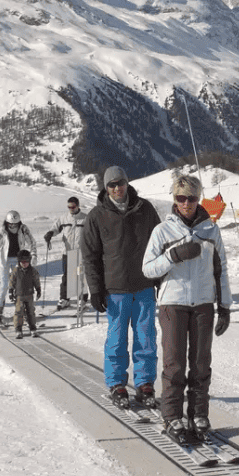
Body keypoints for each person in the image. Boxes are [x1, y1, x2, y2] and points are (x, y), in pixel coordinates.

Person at [142, 174, 231, 442]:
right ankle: (171, 416)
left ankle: (198, 413)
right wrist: (172, 256)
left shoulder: (211, 230)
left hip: (203, 303)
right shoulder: (162, 231)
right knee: (175, 362)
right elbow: (147, 269)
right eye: (180, 198)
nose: (186, 203)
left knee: (201, 363)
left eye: (191, 198)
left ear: (198, 198)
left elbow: (221, 269)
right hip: (173, 304)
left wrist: (224, 305)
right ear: (174, 199)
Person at [81, 166, 160, 410]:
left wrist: (162, 280)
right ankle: (116, 384)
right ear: (106, 188)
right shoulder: (96, 216)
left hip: (144, 286)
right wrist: (95, 289)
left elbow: (159, 244)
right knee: (116, 340)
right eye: (112, 184)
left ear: (127, 183)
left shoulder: (145, 209)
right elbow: (90, 256)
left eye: (121, 183)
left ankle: (145, 383)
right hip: (115, 290)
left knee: (146, 338)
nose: (117, 188)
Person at [0, 211, 37, 326]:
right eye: (10, 224)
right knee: (4, 284)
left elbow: (32, 243)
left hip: (18, 259)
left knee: (19, 285)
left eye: (15, 224)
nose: (12, 226)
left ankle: (21, 310)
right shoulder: (2, 230)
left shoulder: (23, 229)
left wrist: (33, 255)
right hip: (4, 260)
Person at [44, 196, 87, 309]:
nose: (71, 209)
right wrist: (50, 233)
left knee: (80, 276)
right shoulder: (64, 218)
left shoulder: (85, 218)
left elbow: (92, 233)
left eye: (72, 207)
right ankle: (64, 299)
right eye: (69, 207)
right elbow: (55, 228)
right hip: (67, 252)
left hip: (80, 252)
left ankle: (82, 298)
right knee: (67, 277)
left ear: (77, 206)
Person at [8, 249, 42, 339]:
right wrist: (11, 291)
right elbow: (12, 281)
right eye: (22, 262)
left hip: (29, 294)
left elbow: (36, 280)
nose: (25, 264)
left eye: (26, 262)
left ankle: (32, 327)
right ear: (19, 262)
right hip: (19, 295)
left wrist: (38, 289)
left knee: (31, 312)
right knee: (19, 312)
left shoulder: (32, 271)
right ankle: (18, 329)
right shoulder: (16, 271)